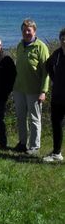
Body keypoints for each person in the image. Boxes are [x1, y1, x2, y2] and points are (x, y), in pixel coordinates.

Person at [13, 19, 49, 155]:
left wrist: (43, 91)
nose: (26, 33)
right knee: (21, 117)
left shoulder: (41, 47)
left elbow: (46, 72)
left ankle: (34, 147)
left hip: (34, 90)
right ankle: (23, 143)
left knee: (34, 119)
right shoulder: (19, 45)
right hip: (19, 88)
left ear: (34, 31)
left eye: (29, 30)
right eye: (24, 30)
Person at [43, 28, 65, 162]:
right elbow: (48, 65)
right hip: (58, 96)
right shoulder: (57, 54)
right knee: (56, 125)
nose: (64, 40)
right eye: (62, 38)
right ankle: (57, 153)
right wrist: (54, 78)